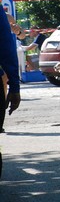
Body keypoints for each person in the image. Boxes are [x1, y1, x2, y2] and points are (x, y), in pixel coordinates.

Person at [1, 8, 21, 136]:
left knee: (3, 78)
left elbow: (22, 34)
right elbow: (5, 47)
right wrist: (15, 87)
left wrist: (18, 31)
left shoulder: (8, 17)